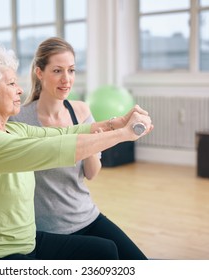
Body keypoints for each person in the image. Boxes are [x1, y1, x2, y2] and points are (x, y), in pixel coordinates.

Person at [0, 43, 153, 260]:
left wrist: (118, 123)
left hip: (27, 243)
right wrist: (125, 135)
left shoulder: (13, 129)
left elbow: (65, 133)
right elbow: (56, 149)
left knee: (106, 251)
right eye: (11, 83)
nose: (20, 89)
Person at [10, 37, 148, 260]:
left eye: (71, 70)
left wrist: (94, 141)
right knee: (107, 257)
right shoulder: (19, 119)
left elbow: (92, 173)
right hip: (47, 231)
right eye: (57, 71)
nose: (66, 79)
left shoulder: (81, 112)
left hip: (86, 216)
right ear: (39, 72)